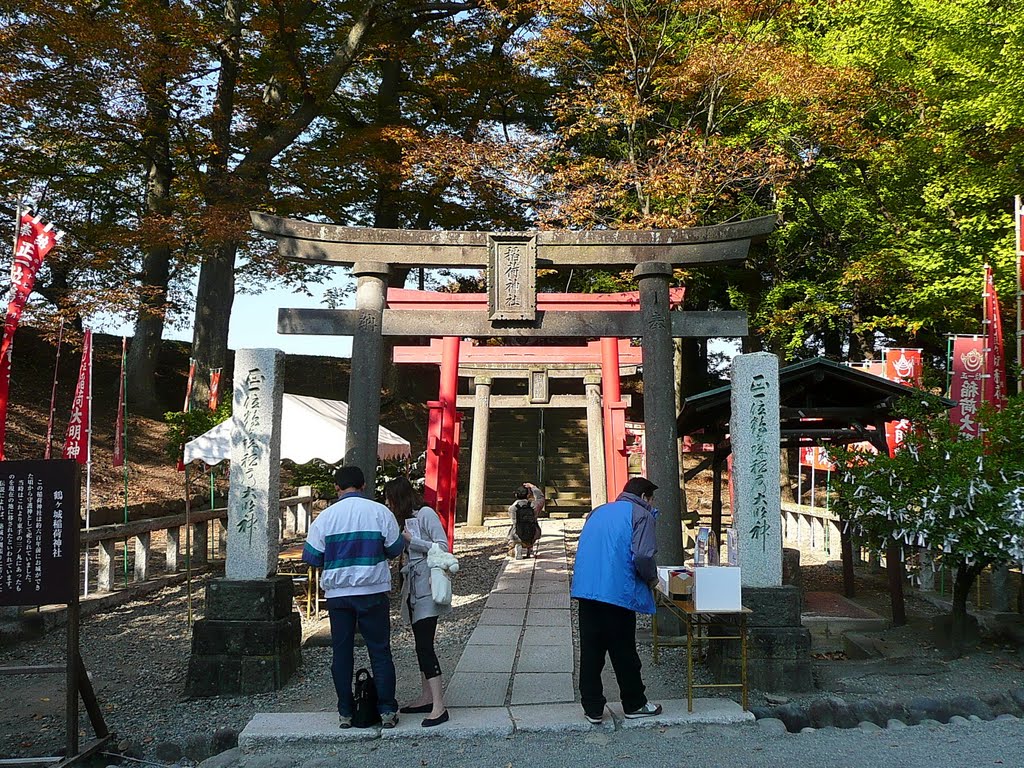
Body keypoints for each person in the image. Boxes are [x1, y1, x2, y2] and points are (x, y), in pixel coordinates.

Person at [302, 465, 406, 730]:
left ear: (337, 488)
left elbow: (312, 557)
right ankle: (386, 710)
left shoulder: (325, 518)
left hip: (338, 595)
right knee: (380, 651)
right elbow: (394, 549)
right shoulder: (380, 512)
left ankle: (346, 712)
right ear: (363, 486)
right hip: (373, 590)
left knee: (342, 653)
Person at [570, 476, 663, 724]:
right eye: (651, 499)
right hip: (616, 591)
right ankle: (634, 703)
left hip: (587, 589)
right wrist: (652, 579)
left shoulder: (598, 511)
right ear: (645, 497)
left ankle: (592, 708)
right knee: (624, 651)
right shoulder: (642, 514)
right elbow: (643, 555)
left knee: (591, 650)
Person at [383, 476, 451, 728]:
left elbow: (442, 546)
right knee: (420, 644)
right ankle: (426, 697)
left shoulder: (426, 514)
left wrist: (413, 541)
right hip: (412, 588)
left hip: (427, 588)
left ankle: (438, 706)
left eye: (390, 499)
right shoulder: (406, 519)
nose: (388, 504)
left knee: (425, 645)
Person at [507, 484, 541, 558]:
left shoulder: (512, 508)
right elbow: (540, 498)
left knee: (512, 533)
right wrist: (533, 487)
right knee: (533, 529)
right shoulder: (534, 505)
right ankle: (530, 548)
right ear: (528, 495)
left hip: (517, 533)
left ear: (516, 495)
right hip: (533, 533)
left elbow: (514, 521)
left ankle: (517, 547)